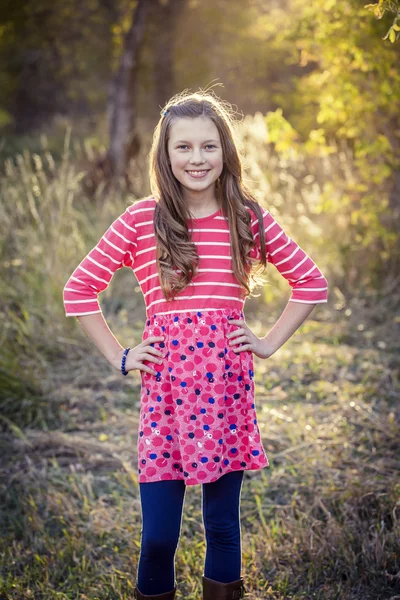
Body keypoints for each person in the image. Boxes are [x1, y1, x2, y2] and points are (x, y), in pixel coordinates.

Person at [63, 90, 328, 600]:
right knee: (159, 536)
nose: (197, 159)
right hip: (165, 393)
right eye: (183, 148)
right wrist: (120, 354)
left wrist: (267, 343)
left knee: (223, 528)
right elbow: (79, 289)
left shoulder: (247, 218)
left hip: (225, 389)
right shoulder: (142, 220)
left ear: (226, 151)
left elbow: (311, 283)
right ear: (164, 155)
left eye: (209, 146)